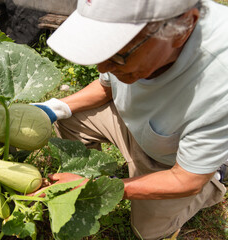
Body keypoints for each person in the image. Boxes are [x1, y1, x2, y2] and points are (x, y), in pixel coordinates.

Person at [33, 0, 228, 239]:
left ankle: (215, 175)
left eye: (118, 56)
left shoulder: (221, 81)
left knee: (145, 232)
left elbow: (186, 179)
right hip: (142, 127)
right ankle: (87, 175)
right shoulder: (136, 32)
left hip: (175, 163)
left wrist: (101, 189)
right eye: (102, 50)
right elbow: (106, 87)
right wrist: (52, 109)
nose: (102, 66)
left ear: (184, 27)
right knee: (71, 118)